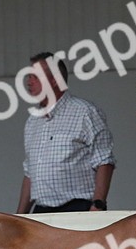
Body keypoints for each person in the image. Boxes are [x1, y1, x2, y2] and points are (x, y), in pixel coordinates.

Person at [15, 52, 115, 214]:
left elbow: (104, 161)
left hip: (78, 209)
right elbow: (30, 174)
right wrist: (19, 216)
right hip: (42, 211)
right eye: (29, 77)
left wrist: (98, 204)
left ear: (55, 80)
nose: (29, 82)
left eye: (35, 77)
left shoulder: (85, 112)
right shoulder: (32, 122)